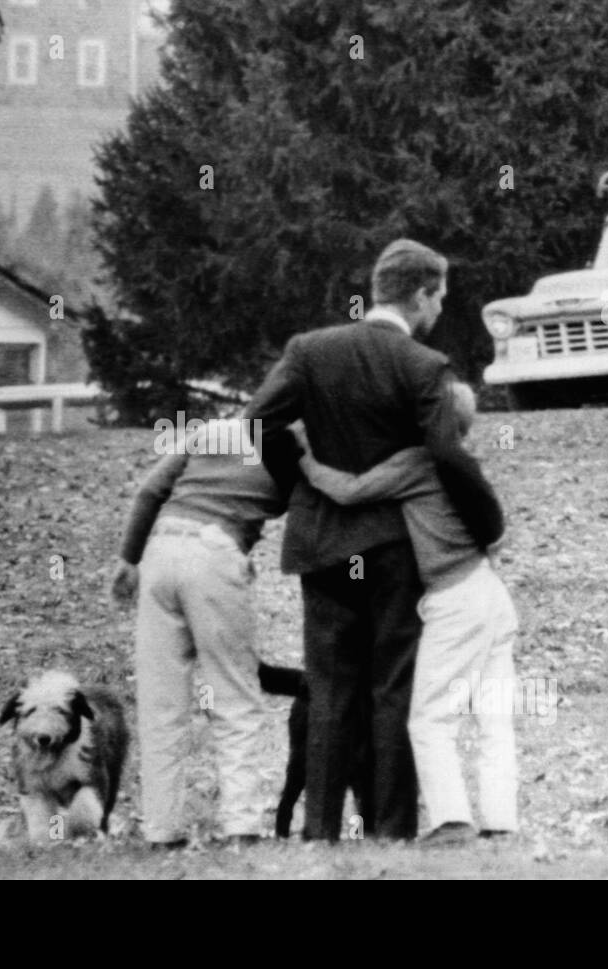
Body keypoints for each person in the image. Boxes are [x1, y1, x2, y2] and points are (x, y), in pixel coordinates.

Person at [245, 239, 504, 841]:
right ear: (419, 294)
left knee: (329, 685)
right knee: (393, 684)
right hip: (391, 550)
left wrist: (301, 488)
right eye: (439, 297)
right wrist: (487, 528)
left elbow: (254, 421)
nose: (439, 310)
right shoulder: (423, 366)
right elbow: (446, 454)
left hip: (322, 546)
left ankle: (322, 830)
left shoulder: (309, 352)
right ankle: (389, 827)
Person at [295, 381, 520, 844]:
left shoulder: (415, 462)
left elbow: (351, 491)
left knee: (429, 718)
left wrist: (305, 458)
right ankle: (501, 821)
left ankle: (452, 821)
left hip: (453, 597)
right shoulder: (462, 464)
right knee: (493, 718)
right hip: (490, 592)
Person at [111, 425, 288, 847]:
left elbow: (150, 491)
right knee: (234, 696)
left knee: (161, 704)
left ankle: (161, 829)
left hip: (161, 548)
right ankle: (241, 825)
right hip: (217, 550)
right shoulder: (293, 444)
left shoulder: (213, 432)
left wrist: (128, 558)